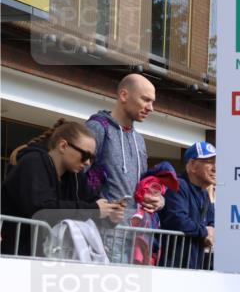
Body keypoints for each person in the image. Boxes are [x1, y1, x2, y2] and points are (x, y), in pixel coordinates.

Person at [1, 119, 125, 255]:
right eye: (85, 155)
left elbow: (92, 203)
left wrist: (109, 215)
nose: (88, 163)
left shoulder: (75, 176)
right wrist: (94, 209)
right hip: (18, 256)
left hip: (50, 258)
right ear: (63, 146)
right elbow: (41, 209)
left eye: (92, 158)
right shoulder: (32, 163)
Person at [85, 74, 157, 211]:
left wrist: (159, 200)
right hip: (99, 229)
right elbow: (76, 177)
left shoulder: (139, 140)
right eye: (145, 100)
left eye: (152, 102)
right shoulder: (97, 128)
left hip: (133, 229)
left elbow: (142, 185)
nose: (151, 108)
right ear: (124, 95)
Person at [160, 142, 217, 269]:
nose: (215, 168)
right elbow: (177, 219)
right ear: (192, 165)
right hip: (173, 268)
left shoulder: (205, 194)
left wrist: (211, 231)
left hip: (196, 267)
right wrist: (204, 231)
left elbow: (212, 222)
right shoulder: (178, 186)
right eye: (209, 162)